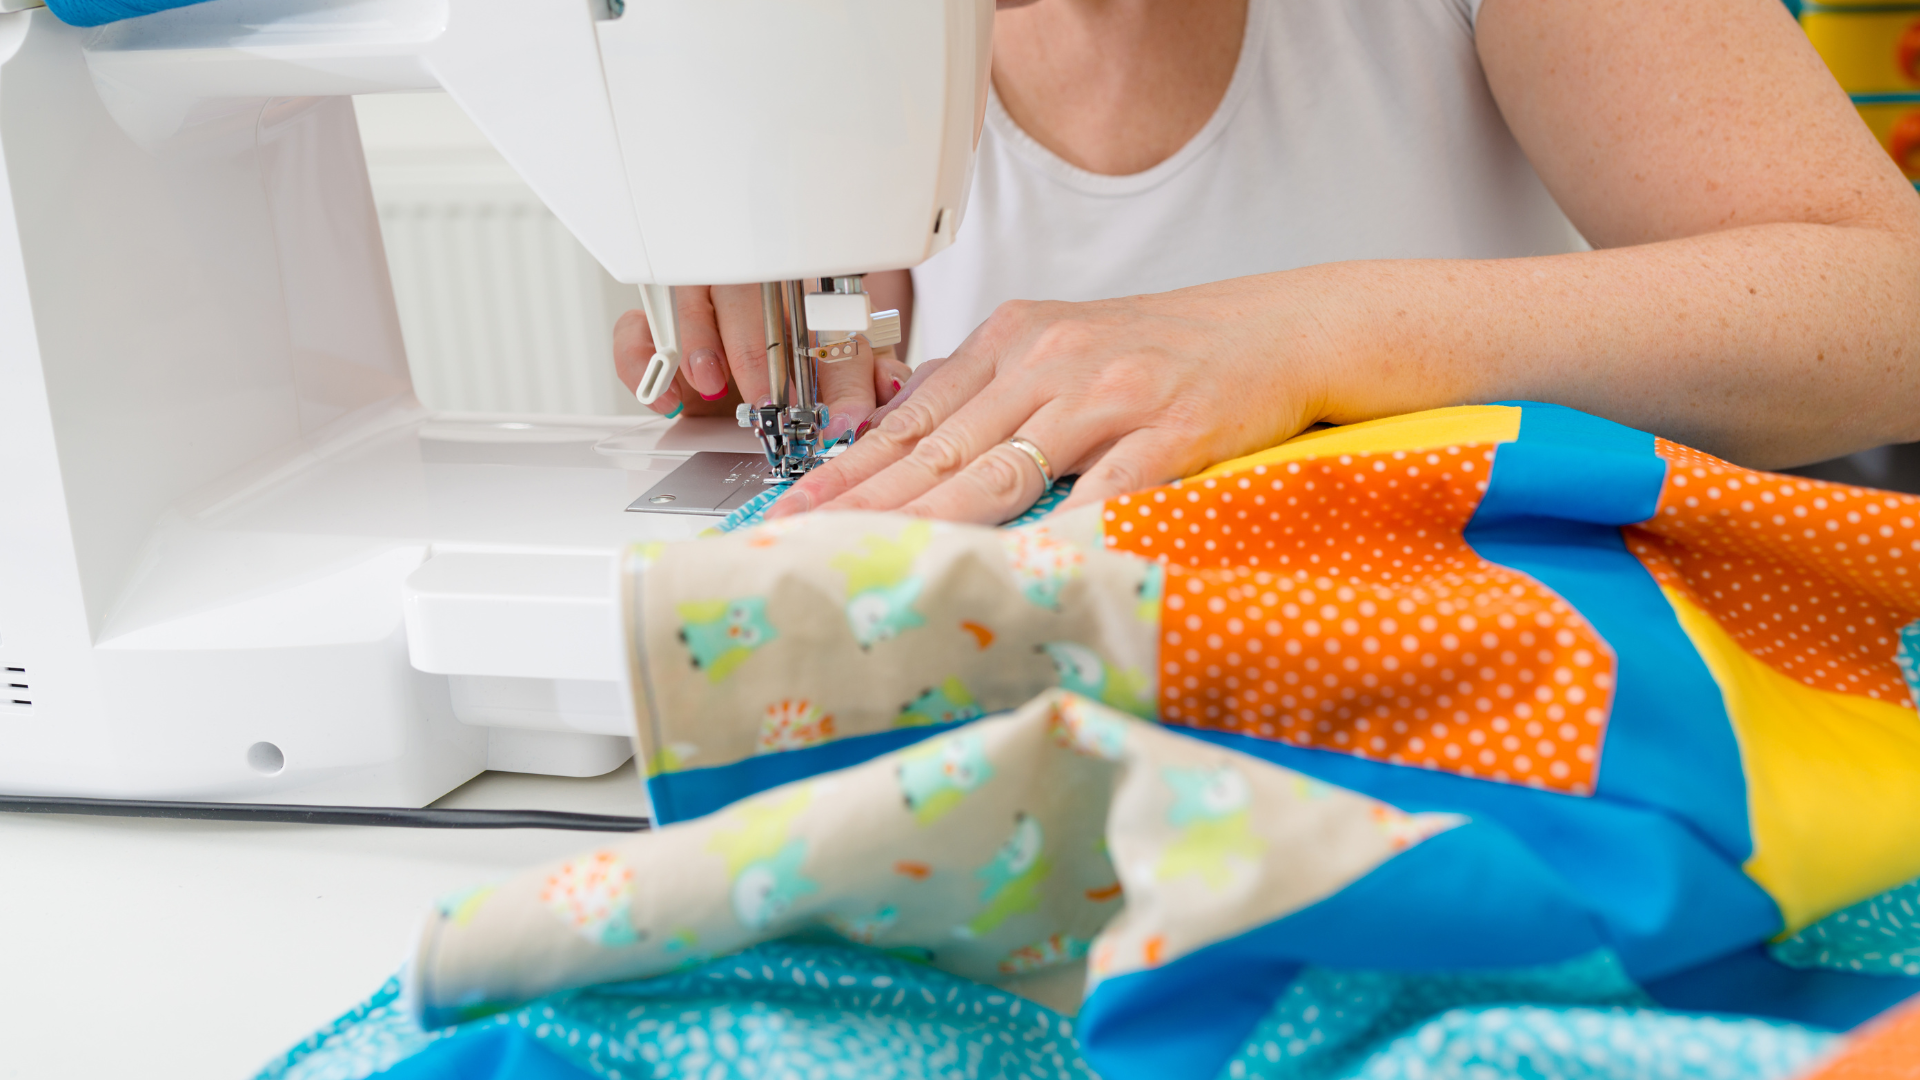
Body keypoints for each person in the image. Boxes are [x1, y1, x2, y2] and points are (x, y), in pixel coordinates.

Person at [613, 0, 1920, 526]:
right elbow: (827, 343)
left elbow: (1891, 314)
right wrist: (758, 350)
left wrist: (1313, 335)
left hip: (1479, 751)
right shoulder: (839, 35)